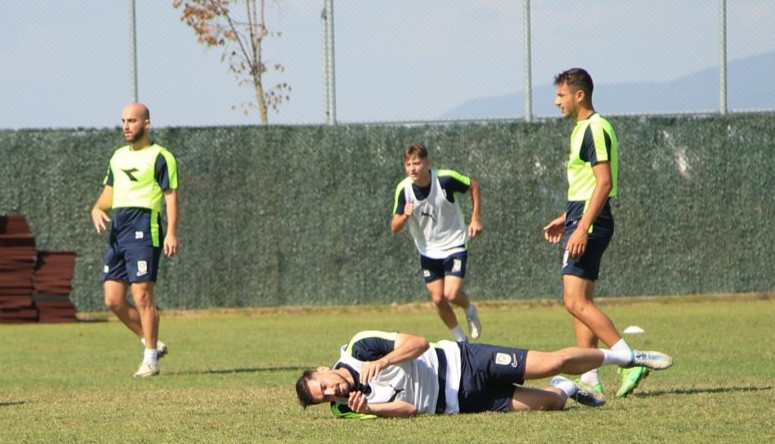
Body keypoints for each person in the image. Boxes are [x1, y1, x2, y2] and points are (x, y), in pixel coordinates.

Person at [543, 68, 649, 398]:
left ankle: (629, 359)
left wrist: (583, 227)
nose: (556, 101)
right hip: (581, 216)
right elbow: (588, 185)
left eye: (561, 95)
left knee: (574, 301)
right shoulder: (580, 130)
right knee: (580, 302)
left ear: (579, 95)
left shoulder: (595, 128)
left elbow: (605, 182)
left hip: (591, 221)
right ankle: (589, 375)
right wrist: (567, 218)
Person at [295, 330, 672, 418]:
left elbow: (420, 343)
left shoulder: (361, 347)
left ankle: (626, 356)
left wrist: (388, 359)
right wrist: (372, 410)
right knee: (553, 404)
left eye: (324, 385)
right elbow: (410, 411)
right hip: (464, 402)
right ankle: (565, 389)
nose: (332, 393)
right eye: (325, 397)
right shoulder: (348, 408)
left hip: (467, 362)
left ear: (324, 369)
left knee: (553, 360)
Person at [90, 103, 178, 378]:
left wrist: (172, 232)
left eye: (132, 120)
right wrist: (96, 209)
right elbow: (110, 193)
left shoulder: (161, 157)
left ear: (147, 123)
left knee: (142, 295)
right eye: (123, 121)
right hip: (119, 231)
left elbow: (171, 196)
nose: (126, 126)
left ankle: (150, 360)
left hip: (144, 227)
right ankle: (149, 339)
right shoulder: (117, 157)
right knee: (113, 299)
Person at [390, 143, 483, 342]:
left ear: (427, 162)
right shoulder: (404, 189)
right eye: (408, 164)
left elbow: (473, 186)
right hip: (428, 251)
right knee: (438, 299)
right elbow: (394, 227)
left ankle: (469, 309)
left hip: (455, 244)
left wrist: (475, 218)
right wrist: (404, 216)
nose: (412, 169)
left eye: (416, 163)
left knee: (451, 293)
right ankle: (461, 340)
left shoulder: (445, 179)